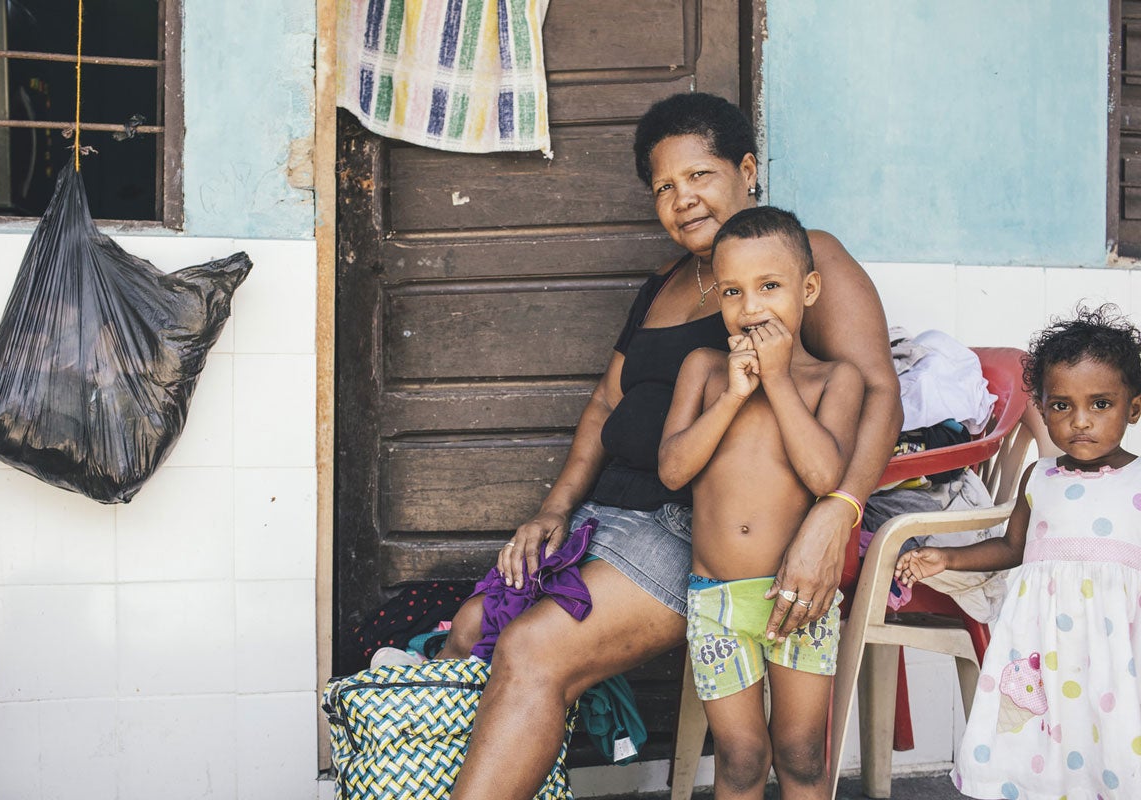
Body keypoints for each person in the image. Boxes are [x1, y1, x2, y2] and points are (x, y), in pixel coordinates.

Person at [442, 92, 903, 800]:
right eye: (664, 187)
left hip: (692, 527)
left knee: (535, 649)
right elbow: (606, 402)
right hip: (611, 515)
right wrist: (554, 508)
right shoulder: (661, 285)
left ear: (746, 170)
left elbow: (877, 392)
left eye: (699, 176)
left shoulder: (809, 258)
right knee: (475, 625)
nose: (682, 199)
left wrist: (835, 513)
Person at [895, 305, 1141, 800]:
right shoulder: (1040, 479)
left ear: (1133, 408)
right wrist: (948, 559)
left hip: (1118, 653)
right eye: (1061, 406)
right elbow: (1012, 547)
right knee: (1045, 755)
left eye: (1100, 404)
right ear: (1043, 408)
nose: (1079, 422)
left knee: (1114, 748)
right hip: (1044, 647)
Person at [659, 206, 863, 799]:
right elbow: (672, 471)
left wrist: (775, 380)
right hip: (718, 600)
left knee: (801, 756)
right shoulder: (703, 370)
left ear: (810, 289)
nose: (750, 309)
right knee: (742, 758)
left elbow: (826, 473)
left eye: (769, 287)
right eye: (732, 291)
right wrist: (732, 397)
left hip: (800, 599)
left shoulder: (833, 380)